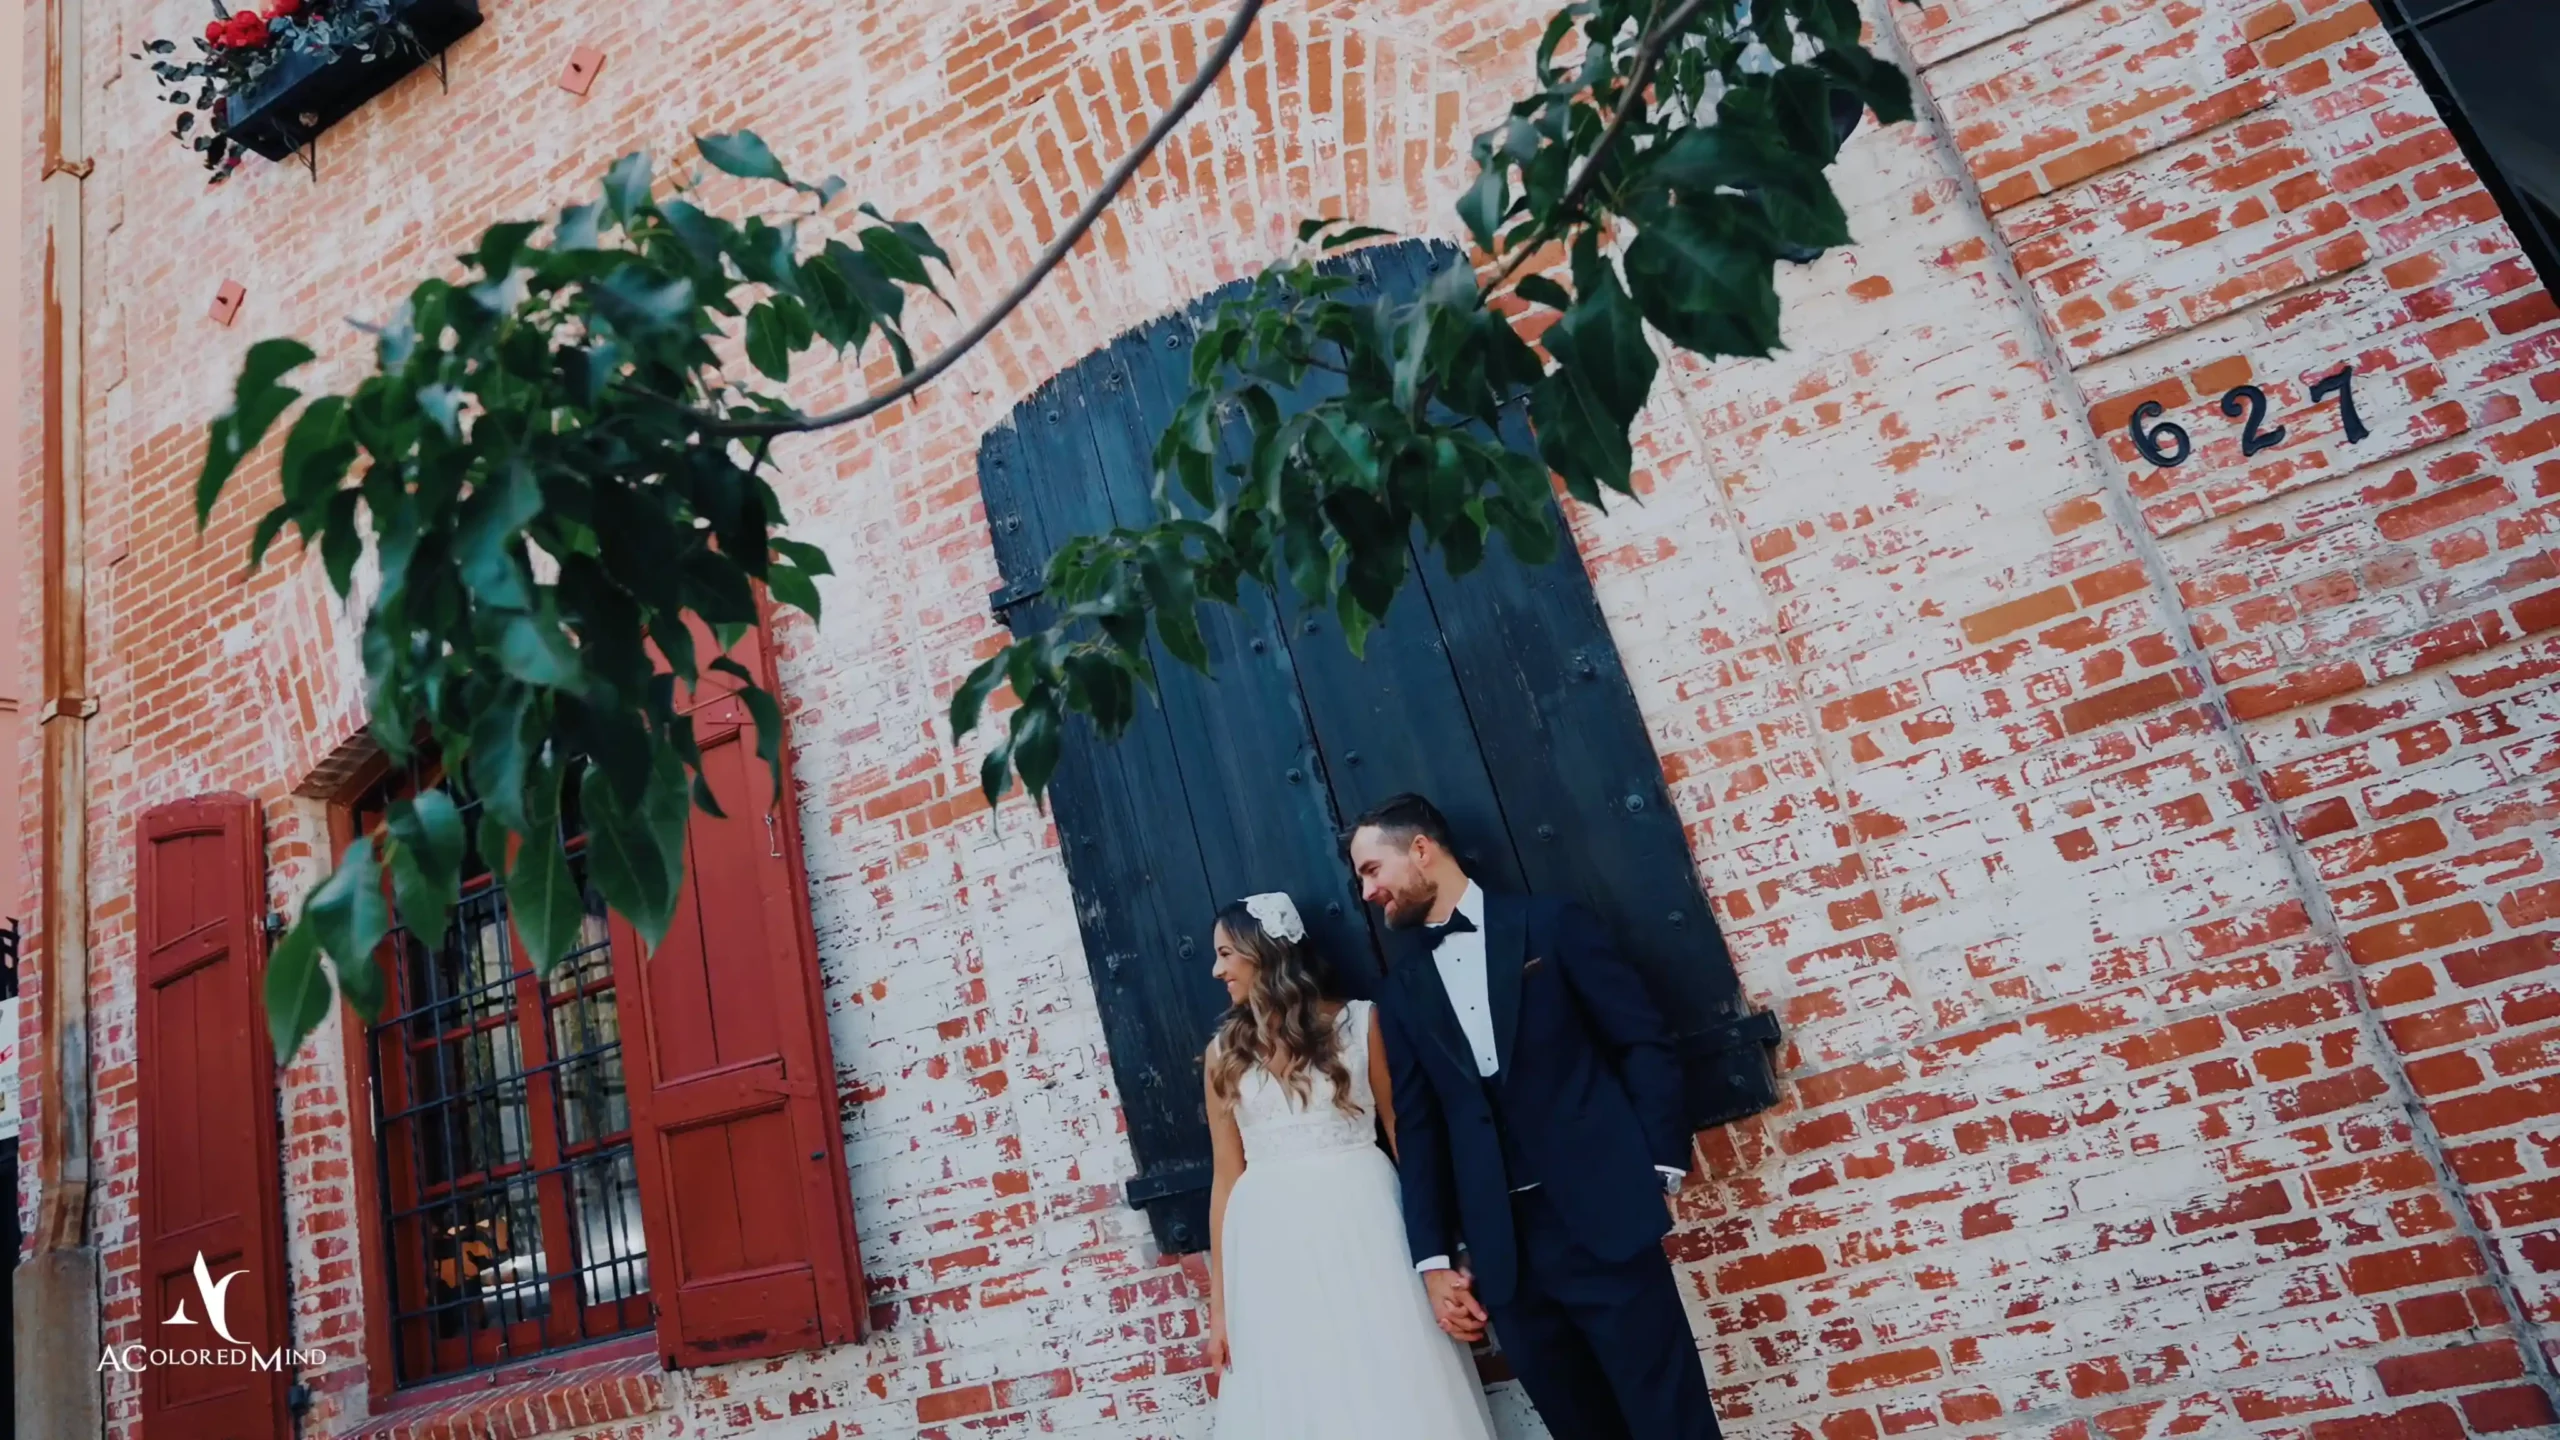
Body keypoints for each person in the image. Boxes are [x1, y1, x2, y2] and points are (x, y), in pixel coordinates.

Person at [1350, 793, 1721, 1440]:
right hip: (1505, 1254)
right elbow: (1419, 1127)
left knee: (1673, 1422)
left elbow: (1640, 1040)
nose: (1368, 892)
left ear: (1420, 849)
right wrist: (1434, 1258)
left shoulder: (1551, 926)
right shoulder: (1400, 994)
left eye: (1372, 870)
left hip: (1604, 1219)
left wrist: (1657, 1167)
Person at [1201, 891, 1497, 1440]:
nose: (1217, 970)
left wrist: (1443, 1245)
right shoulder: (1225, 1052)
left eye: (1225, 953)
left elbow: (1403, 1135)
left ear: (1262, 952)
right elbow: (1225, 1179)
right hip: (1268, 1243)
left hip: (1364, 1218)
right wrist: (1221, 1309)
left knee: (1389, 1362)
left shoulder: (1362, 1023)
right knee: (1296, 1377)